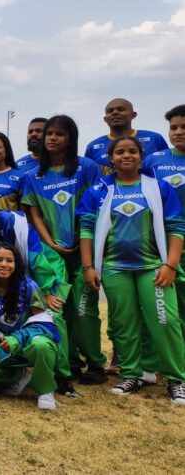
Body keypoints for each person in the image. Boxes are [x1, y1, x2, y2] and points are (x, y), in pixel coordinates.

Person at [78, 136, 185, 403]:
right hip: (114, 268)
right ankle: (132, 374)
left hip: (154, 267)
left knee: (165, 321)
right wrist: (89, 266)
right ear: (111, 158)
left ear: (141, 156)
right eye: (120, 152)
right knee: (124, 323)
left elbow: (176, 227)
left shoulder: (158, 187)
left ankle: (176, 379)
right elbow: (87, 229)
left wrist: (171, 264)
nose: (126, 156)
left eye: (132, 151)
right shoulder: (98, 190)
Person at [21, 114, 106, 390]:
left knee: (83, 310)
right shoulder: (33, 176)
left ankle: (95, 363)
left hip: (85, 249)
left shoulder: (87, 168)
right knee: (56, 307)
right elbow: (33, 216)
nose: (52, 138)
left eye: (59, 134)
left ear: (71, 138)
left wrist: (85, 244)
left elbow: (97, 208)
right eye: (49, 134)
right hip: (52, 253)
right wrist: (52, 243)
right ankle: (67, 364)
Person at [0, 243, 60, 410]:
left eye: (9, 260)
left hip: (27, 346)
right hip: (4, 350)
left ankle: (45, 390)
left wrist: (16, 339)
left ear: (17, 264)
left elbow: (43, 324)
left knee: (42, 345)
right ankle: (19, 376)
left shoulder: (29, 286)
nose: (4, 264)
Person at [144, 105, 185, 341]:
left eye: (183, 127)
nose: (178, 132)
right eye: (174, 127)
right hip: (162, 245)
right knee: (166, 307)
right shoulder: (154, 160)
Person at [84, 98, 168, 172]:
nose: (115, 113)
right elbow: (88, 175)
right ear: (105, 119)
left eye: (121, 109)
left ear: (133, 115)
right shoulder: (93, 147)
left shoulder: (155, 138)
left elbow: (168, 164)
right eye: (110, 111)